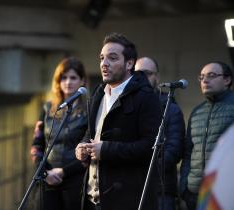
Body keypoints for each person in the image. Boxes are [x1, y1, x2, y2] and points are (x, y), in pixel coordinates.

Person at [75, 32, 162, 210]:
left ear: (129, 63)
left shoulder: (146, 97)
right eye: (101, 58)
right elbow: (91, 133)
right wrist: (82, 146)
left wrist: (106, 150)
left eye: (112, 58)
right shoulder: (99, 94)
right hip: (92, 200)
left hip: (126, 200)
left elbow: (151, 148)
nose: (104, 64)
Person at [30, 57, 88, 210]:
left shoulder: (89, 110)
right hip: (47, 179)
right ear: (58, 81)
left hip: (75, 180)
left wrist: (63, 172)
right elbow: (36, 145)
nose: (68, 82)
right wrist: (44, 173)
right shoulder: (47, 108)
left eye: (73, 77)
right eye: (64, 77)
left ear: (82, 81)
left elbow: (88, 151)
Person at [179, 61, 234, 210]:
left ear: (227, 80)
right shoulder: (197, 112)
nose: (205, 80)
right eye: (202, 77)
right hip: (194, 194)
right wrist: (184, 186)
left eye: (211, 75)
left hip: (225, 193)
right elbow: (188, 153)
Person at [135, 57, 185, 210]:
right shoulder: (127, 106)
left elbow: (173, 152)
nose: (142, 78)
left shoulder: (171, 109)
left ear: (157, 77)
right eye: (138, 74)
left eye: (147, 73)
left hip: (160, 191)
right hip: (132, 189)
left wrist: (138, 167)